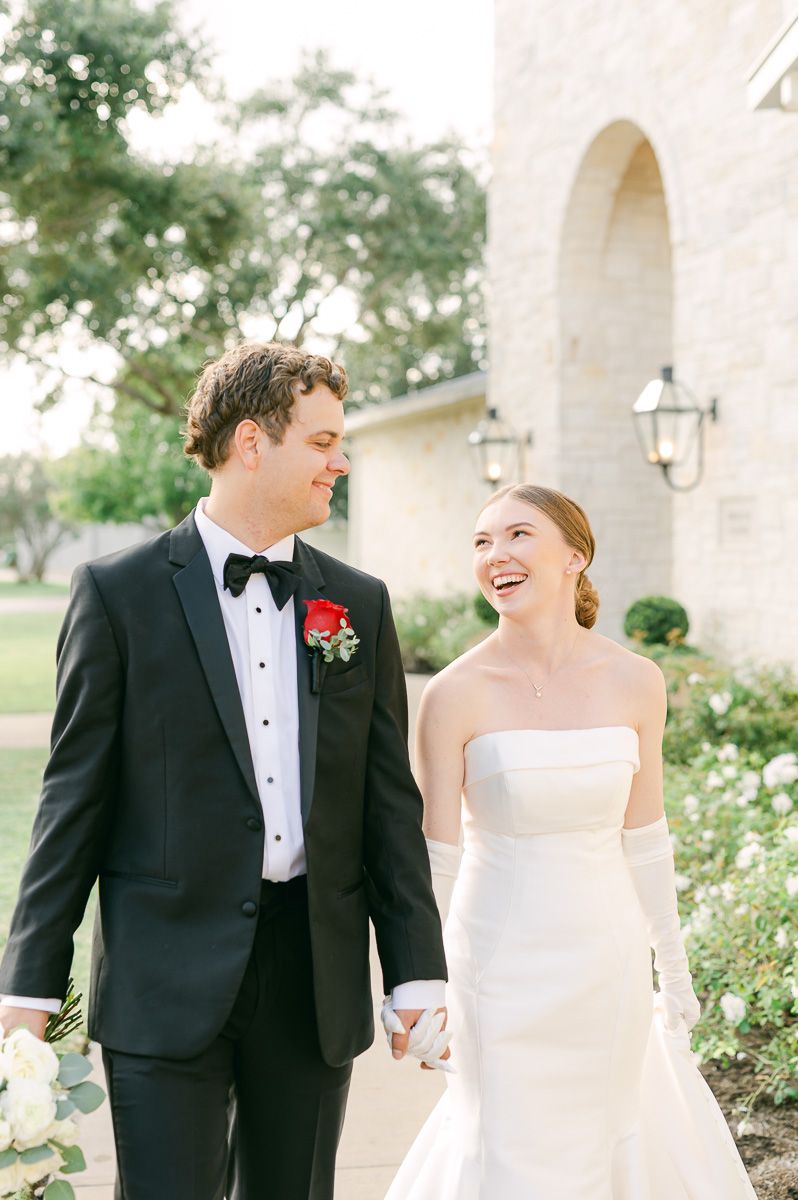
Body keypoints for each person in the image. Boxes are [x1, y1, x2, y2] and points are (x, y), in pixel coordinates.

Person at [0, 342, 448, 1200]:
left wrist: (416, 968)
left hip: (311, 981)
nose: (340, 462)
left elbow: (387, 803)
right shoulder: (116, 594)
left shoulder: (358, 603)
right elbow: (72, 802)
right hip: (164, 978)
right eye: (322, 443)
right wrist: (28, 983)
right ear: (253, 442)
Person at [387, 483, 757, 1200]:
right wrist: (424, 984)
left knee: (601, 1142)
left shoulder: (635, 680)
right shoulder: (454, 693)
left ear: (574, 557)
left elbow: (646, 838)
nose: (496, 554)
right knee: (504, 1143)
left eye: (518, 535)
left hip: (605, 963)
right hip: (495, 965)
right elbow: (436, 858)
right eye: (482, 541)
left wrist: (672, 971)